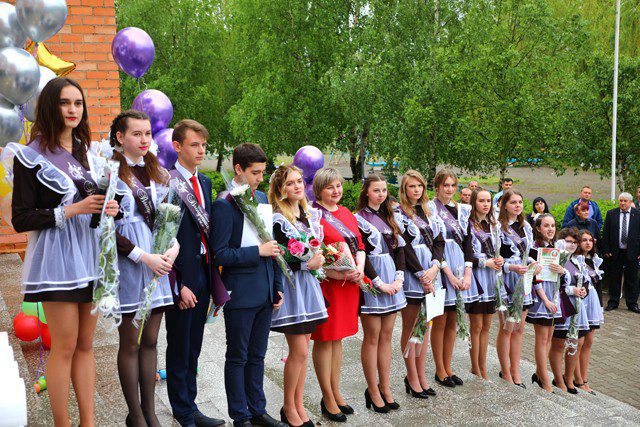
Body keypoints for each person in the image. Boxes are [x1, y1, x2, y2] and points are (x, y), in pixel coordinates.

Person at [1, 77, 119, 426]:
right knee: (64, 347)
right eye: (65, 103)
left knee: (85, 345)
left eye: (78, 103)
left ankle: (88, 421)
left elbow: (96, 202)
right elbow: (21, 218)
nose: (72, 109)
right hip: (57, 262)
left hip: (90, 258)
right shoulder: (30, 156)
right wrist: (71, 210)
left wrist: (110, 208)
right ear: (50, 108)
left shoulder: (89, 152)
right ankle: (62, 423)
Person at [211, 143, 285, 427]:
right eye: (255, 173)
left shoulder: (262, 198)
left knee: (258, 356)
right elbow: (220, 254)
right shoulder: (224, 204)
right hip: (240, 293)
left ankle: (258, 410)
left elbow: (271, 246)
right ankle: (240, 415)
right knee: (238, 356)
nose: (260, 179)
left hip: (264, 290)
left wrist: (276, 285)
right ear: (239, 169)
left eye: (263, 172)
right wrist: (257, 252)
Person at [110, 110, 175, 427]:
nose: (144, 139)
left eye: (147, 133)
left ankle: (150, 412)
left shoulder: (157, 171)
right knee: (131, 342)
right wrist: (143, 257)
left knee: (151, 340)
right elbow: (105, 230)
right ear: (120, 137)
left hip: (158, 265)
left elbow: (168, 218)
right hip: (130, 265)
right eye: (136, 134)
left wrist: (173, 248)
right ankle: (135, 415)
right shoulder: (110, 172)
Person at [165, 120, 227, 427]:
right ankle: (182, 411)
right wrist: (178, 284)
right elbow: (164, 237)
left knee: (194, 345)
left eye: (203, 145)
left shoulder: (204, 181)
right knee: (179, 345)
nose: (201, 150)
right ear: (177, 146)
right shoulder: (168, 182)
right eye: (194, 145)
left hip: (203, 272)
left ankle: (192, 406)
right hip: (183, 278)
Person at [268, 165, 328, 427]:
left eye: (299, 181)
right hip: (291, 288)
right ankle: (288, 407)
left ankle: (298, 403)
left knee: (304, 351)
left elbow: (314, 249)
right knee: (299, 352)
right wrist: (306, 264)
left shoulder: (307, 215)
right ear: (280, 189)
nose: (297, 187)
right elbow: (278, 256)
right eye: (290, 183)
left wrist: (320, 258)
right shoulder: (277, 218)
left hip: (308, 288)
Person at [310, 168, 366, 423]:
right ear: (319, 189)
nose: (336, 191)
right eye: (330, 187)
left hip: (349, 284)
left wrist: (359, 269)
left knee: (338, 339)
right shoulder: (313, 215)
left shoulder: (346, 213)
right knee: (325, 339)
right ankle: (327, 397)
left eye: (339, 186)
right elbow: (312, 254)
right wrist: (335, 273)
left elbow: (360, 245)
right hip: (329, 286)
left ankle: (336, 391)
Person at [355, 174, 407, 413]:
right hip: (373, 280)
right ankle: (372, 390)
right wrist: (378, 283)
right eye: (376, 190)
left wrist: (398, 278)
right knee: (373, 336)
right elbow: (362, 254)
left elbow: (401, 251)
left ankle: (385, 387)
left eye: (384, 190)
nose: (381, 194)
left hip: (392, 280)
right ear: (366, 191)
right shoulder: (359, 218)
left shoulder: (391, 216)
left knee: (387, 336)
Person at [396, 170, 444, 398]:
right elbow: (403, 247)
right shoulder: (399, 213)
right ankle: (411, 376)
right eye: (411, 186)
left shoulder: (429, 210)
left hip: (432, 272)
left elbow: (439, 241)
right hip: (413, 273)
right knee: (411, 326)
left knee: (426, 326)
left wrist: (434, 267)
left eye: (419, 186)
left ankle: (422, 375)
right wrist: (421, 274)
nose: (416, 190)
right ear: (404, 189)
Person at [428, 170, 474, 388]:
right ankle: (439, 369)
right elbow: (431, 242)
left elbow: (468, 242)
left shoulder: (462, 210)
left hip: (459, 267)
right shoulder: (430, 208)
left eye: (452, 185)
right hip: (440, 266)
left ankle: (448, 366)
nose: (449, 189)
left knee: (453, 321)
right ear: (437, 186)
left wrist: (467, 272)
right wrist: (447, 272)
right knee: (440, 320)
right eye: (445, 185)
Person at [496, 190, 536, 388]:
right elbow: (495, 258)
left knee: (519, 328)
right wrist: (512, 267)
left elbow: (528, 252)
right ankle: (505, 371)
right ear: (504, 205)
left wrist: (533, 261)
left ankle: (515, 370)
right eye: (513, 202)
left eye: (520, 202)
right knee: (507, 327)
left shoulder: (526, 226)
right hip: (507, 279)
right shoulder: (498, 228)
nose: (517, 205)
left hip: (523, 279)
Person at [467, 188, 505, 380]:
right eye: (481, 200)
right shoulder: (467, 224)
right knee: (476, 326)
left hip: (491, 278)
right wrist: (484, 262)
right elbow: (465, 254)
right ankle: (475, 366)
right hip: (476, 277)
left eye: (488, 201)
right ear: (474, 202)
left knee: (487, 326)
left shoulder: (494, 225)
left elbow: (499, 250)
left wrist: (500, 260)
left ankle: (483, 366)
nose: (485, 204)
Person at [526, 214, 563, 393]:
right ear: (538, 228)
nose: (550, 229)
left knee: (549, 337)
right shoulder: (534, 249)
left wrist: (562, 271)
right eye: (546, 225)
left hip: (553, 296)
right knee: (542, 339)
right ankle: (545, 380)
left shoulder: (555, 249)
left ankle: (539, 373)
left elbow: (559, 277)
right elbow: (534, 277)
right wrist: (545, 299)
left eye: (553, 225)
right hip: (541, 297)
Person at [549, 227, 589, 394]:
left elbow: (584, 280)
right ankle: (558, 380)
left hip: (577, 308)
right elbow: (553, 284)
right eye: (568, 241)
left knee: (577, 342)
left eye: (574, 242)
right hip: (563, 306)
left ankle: (568, 377)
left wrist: (584, 290)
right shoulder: (557, 260)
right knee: (559, 344)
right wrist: (573, 290)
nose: (572, 245)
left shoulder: (577, 260)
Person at [574, 229, 604, 395]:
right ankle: (577, 378)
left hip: (593, 305)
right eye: (584, 240)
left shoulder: (594, 260)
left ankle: (584, 379)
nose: (588, 243)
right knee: (579, 342)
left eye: (590, 240)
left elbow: (598, 286)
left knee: (589, 342)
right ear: (578, 242)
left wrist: (600, 307)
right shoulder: (574, 260)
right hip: (580, 304)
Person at [600, 192, 640, 313]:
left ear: (630, 202)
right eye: (621, 201)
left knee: (632, 278)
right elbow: (606, 233)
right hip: (615, 252)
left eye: (625, 201)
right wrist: (606, 249)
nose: (622, 203)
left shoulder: (637, 214)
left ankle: (632, 303)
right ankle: (613, 302)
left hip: (632, 251)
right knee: (614, 278)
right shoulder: (611, 214)